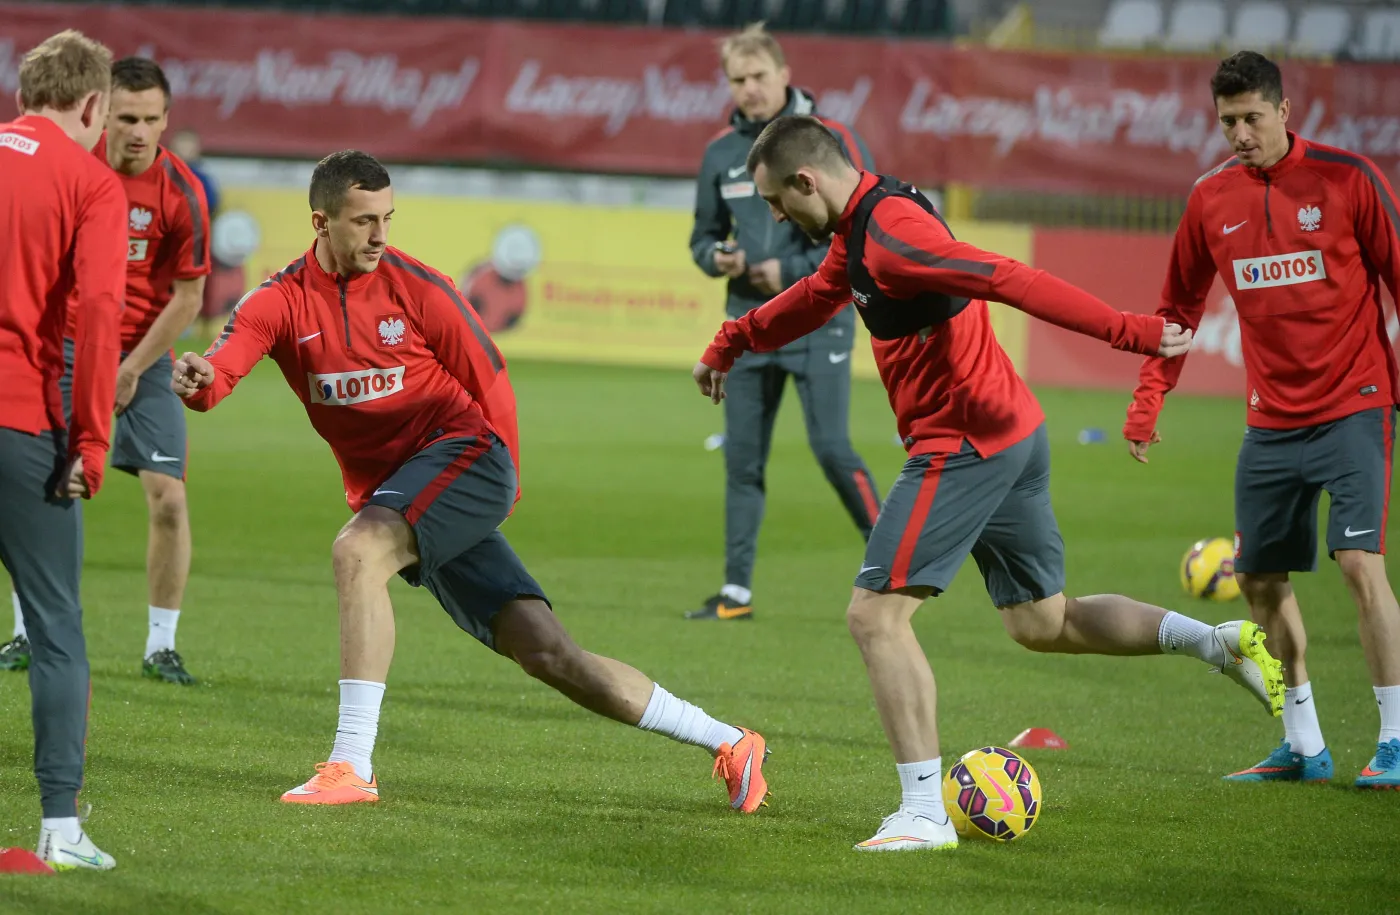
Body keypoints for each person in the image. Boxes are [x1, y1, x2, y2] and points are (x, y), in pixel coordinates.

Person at [693, 115, 1285, 852]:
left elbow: (1007, 277)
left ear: (807, 180)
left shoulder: (894, 233)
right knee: (1043, 622)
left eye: (778, 201)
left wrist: (1129, 332)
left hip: (963, 442)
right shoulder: (861, 225)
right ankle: (1216, 641)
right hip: (1010, 430)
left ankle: (923, 811)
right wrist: (734, 340)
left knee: (875, 617)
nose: (776, 216)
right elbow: (817, 294)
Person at [171, 150, 771, 811]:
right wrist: (200, 380)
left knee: (356, 551)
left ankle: (350, 763)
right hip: (403, 493)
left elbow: (489, 377)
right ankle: (730, 741)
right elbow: (222, 370)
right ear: (321, 221)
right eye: (363, 220)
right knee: (548, 653)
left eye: (387, 219)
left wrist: (507, 476)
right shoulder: (278, 302)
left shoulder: (417, 286)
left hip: (464, 457)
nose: (379, 235)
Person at [1125, 51, 1400, 789]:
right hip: (1271, 421)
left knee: (1359, 565)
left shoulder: (1348, 179)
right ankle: (1303, 742)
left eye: (1252, 118)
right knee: (1258, 580)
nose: (1240, 133)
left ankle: (1396, 737)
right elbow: (1176, 311)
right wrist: (1149, 402)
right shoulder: (1211, 199)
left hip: (1355, 403)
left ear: (1285, 110)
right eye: (1227, 122)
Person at [2, 58, 212, 685]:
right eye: (126, 117)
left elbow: (188, 298)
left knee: (169, 499)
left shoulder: (182, 193)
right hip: (61, 349)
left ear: (167, 120)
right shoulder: (71, 175)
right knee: (45, 487)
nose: (139, 131)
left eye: (152, 119)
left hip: (143, 357)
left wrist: (129, 369)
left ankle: (160, 645)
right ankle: (25, 632)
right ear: (100, 112)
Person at [686, 22, 880, 622]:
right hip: (749, 324)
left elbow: (863, 225)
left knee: (831, 447)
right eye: (738, 79)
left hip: (819, 320)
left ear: (784, 75)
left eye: (759, 76)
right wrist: (715, 257)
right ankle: (736, 594)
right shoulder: (721, 153)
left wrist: (787, 267)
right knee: (743, 463)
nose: (749, 89)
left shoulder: (831, 138)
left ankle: (899, 562)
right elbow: (700, 237)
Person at [0, 29, 127, 870]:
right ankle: (60, 827)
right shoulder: (90, 181)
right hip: (20, 427)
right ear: (92, 105)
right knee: (55, 628)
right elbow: (96, 315)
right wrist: (90, 437)